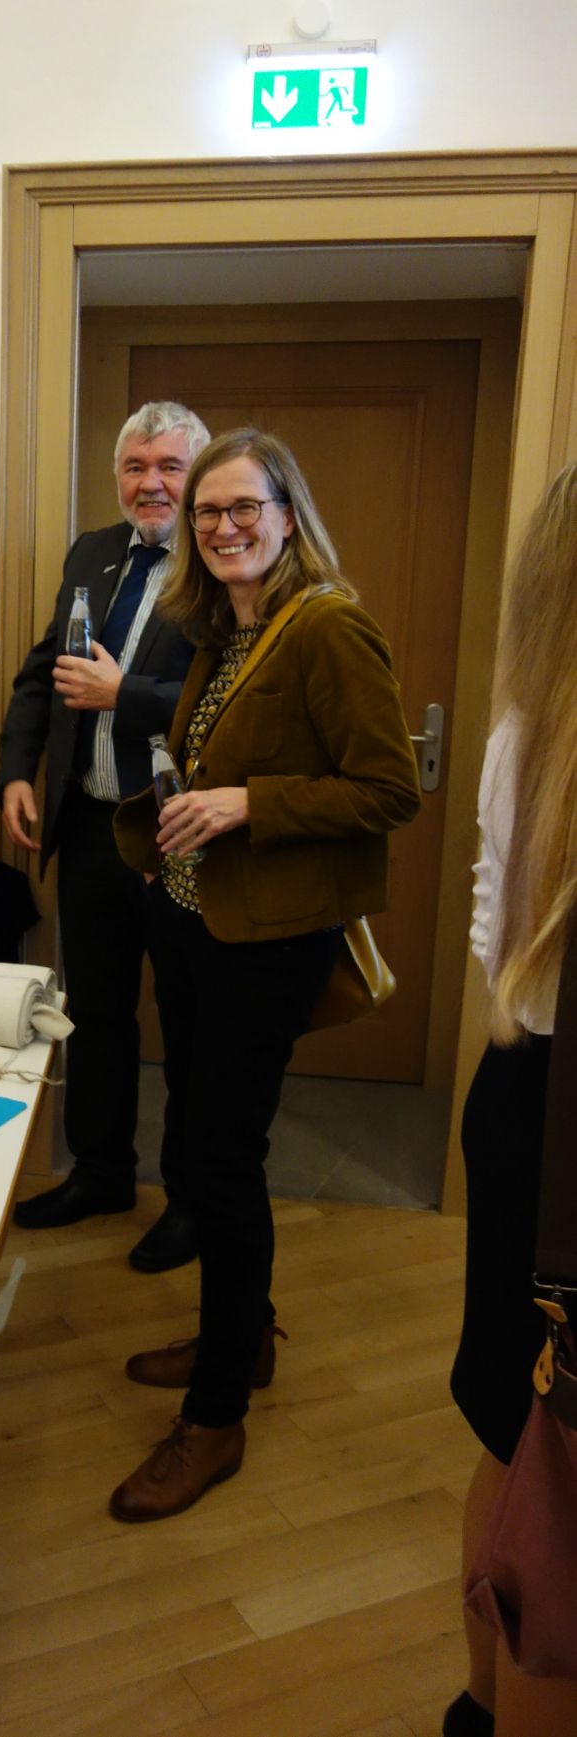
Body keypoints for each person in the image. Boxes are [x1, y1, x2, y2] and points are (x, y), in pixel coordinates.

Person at [109, 427, 421, 1522]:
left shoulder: (329, 628)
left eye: (247, 507)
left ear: (289, 515)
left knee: (218, 1162)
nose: (227, 527)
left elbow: (389, 790)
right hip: (200, 923)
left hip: (268, 945)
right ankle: (244, 1341)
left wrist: (249, 804)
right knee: (205, 1143)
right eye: (208, 513)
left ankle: (214, 1418)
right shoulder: (222, 628)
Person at [0, 401, 210, 1272]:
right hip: (88, 827)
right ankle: (102, 1170)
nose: (151, 482)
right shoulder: (92, 551)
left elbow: (224, 697)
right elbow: (44, 671)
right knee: (98, 1011)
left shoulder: (228, 559)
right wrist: (18, 767)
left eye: (168, 466)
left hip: (178, 836)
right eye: (135, 466)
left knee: (195, 1024)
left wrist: (128, 694)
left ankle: (195, 1202)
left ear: (196, 475)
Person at [445, 462, 577, 1737]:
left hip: (520, 1086)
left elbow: (498, 950)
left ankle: (479, 1706)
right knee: (532, 1427)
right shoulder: (526, 740)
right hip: (546, 1110)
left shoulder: (515, 734)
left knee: (509, 1415)